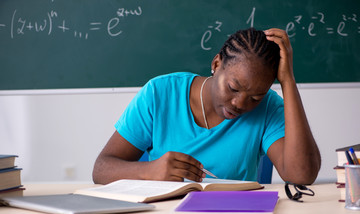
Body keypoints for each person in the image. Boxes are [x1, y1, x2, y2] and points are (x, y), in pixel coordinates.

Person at [93, 28, 321, 185]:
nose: (240, 103)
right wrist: (149, 171)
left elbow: (301, 175)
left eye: (255, 97)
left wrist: (288, 81)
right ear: (216, 63)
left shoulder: (269, 106)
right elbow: (102, 169)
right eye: (233, 87)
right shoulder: (160, 93)